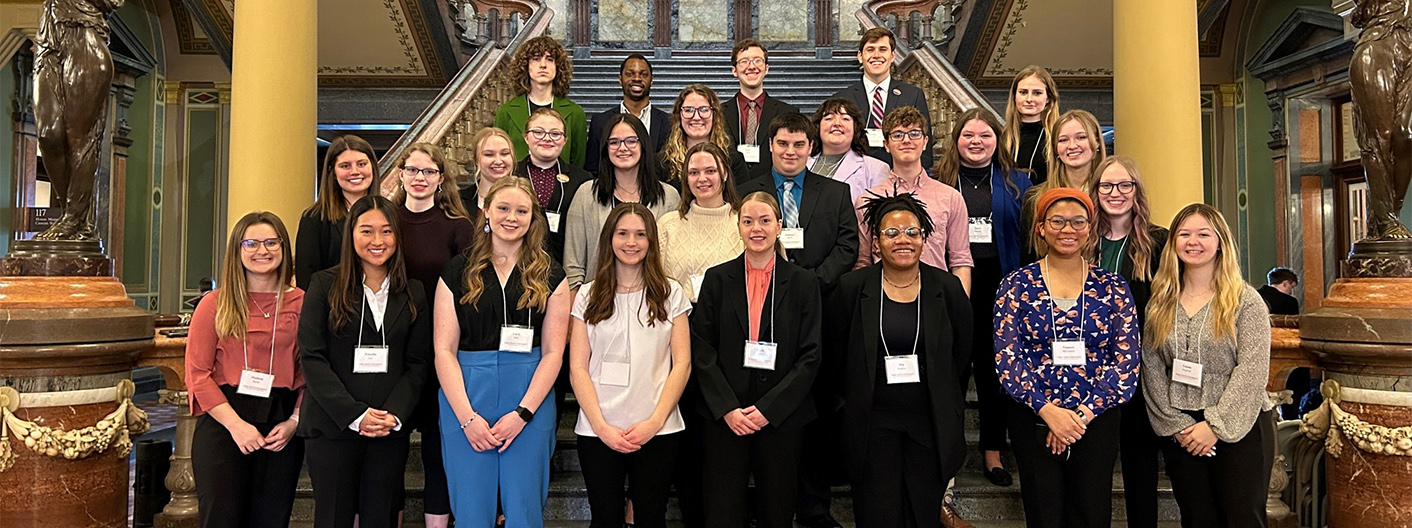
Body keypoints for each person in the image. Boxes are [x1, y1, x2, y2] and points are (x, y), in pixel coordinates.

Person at [993, 188, 1140, 528]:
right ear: (1041, 228)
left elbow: (1126, 362)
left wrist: (1079, 417)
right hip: (1033, 416)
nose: (1068, 229)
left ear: (1090, 228)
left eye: (1078, 221)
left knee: (1091, 512)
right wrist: (1049, 413)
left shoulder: (1112, 286)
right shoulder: (1016, 285)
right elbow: (1007, 358)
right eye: (1057, 221)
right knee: (1043, 514)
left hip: (1096, 419)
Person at [829, 192, 973, 528]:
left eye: (911, 231)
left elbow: (961, 354)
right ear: (876, 242)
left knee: (923, 516)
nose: (902, 240)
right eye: (891, 233)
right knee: (877, 515)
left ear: (924, 237)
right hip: (871, 424)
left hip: (929, 424)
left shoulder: (947, 288)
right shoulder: (852, 288)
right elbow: (835, 356)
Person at [435, 177, 572, 527]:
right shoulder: (456, 271)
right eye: (504, 208)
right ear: (486, 212)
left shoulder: (553, 276)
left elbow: (554, 352)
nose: (512, 217)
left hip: (529, 394)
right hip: (466, 393)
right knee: (470, 511)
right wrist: (467, 417)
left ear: (533, 218)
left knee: (524, 510)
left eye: (522, 210)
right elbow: (444, 350)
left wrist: (522, 414)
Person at [298, 195, 431, 528]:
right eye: (367, 231)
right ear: (350, 234)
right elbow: (312, 357)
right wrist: (355, 414)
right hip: (334, 426)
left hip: (388, 428)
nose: (377, 241)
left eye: (386, 232)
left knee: (382, 518)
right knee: (332, 519)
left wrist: (393, 415)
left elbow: (417, 364)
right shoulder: (324, 285)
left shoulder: (413, 292)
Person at [691, 191, 822, 528]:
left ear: (780, 226)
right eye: (748, 221)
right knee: (722, 512)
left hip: (782, 418)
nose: (756, 228)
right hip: (725, 416)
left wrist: (769, 410)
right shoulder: (717, 279)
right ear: (738, 227)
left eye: (765, 220)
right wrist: (727, 409)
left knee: (776, 512)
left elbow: (811, 354)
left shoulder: (805, 283)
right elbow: (702, 349)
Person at [1143, 203, 1275, 528]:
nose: (1193, 242)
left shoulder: (1244, 300)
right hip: (1182, 428)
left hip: (1239, 426)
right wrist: (1176, 425)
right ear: (1173, 241)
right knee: (1197, 518)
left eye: (1203, 234)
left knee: (1243, 518)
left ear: (1220, 242)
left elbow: (1252, 370)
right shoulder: (1160, 300)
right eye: (1184, 234)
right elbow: (1151, 367)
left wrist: (1214, 426)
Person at [569, 203, 693, 528]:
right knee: (605, 518)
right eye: (622, 233)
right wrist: (600, 426)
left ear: (651, 240)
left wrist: (654, 422)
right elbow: (578, 368)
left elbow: (682, 364)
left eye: (640, 234)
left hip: (658, 429)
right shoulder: (587, 294)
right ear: (610, 238)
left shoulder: (670, 293)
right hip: (598, 430)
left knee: (651, 518)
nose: (631, 242)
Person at [935, 107, 1033, 489]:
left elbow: (1028, 241)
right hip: (951, 284)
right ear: (956, 139)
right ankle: (950, 450)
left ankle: (992, 450)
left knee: (994, 373)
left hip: (1001, 284)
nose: (976, 142)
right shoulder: (939, 179)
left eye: (985, 136)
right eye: (968, 135)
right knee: (952, 369)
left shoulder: (1016, 184)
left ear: (997, 141)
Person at [187, 212, 304, 528]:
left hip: (281, 423)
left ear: (283, 248)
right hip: (225, 420)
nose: (261, 251)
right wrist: (237, 426)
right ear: (236, 251)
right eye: (250, 243)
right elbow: (197, 374)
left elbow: (312, 371)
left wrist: (295, 421)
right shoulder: (214, 303)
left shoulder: (304, 303)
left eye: (270, 242)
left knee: (272, 518)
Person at [391, 142, 475, 528]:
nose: (419, 178)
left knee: (437, 447)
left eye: (428, 172)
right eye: (412, 170)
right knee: (389, 447)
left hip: (441, 349)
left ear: (441, 178)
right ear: (401, 174)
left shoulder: (458, 227)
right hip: (391, 349)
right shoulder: (385, 221)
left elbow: (469, 288)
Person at [1085, 156, 1168, 528]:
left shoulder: (1158, 241)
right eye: (1106, 185)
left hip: (1139, 368)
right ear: (1095, 190)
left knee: (1140, 465)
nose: (1115, 193)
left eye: (1124, 185)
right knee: (1093, 466)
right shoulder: (1080, 239)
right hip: (1088, 370)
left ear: (1136, 191)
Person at [854, 106, 973, 293]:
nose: (907, 140)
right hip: (884, 297)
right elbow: (863, 261)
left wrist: (959, 308)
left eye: (914, 133)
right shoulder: (867, 200)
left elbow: (960, 261)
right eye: (898, 135)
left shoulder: (950, 197)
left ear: (925, 142)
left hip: (937, 296)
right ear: (886, 144)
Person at [736, 112, 859, 292]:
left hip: (822, 295)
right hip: (760, 291)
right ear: (770, 145)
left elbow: (848, 246)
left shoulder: (836, 193)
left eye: (799, 145)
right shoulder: (745, 194)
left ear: (810, 147)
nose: (790, 152)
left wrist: (813, 281)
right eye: (783, 144)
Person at [565, 114, 681, 288]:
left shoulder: (669, 197)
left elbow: (673, 261)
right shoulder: (586, 194)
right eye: (614, 142)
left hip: (654, 301)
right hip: (597, 301)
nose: (623, 148)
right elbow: (573, 267)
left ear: (643, 145)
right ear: (605, 148)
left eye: (631, 141)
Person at [833, 27, 934, 167]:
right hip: (857, 176)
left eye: (882, 49)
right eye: (870, 50)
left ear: (892, 56)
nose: (876, 55)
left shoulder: (913, 95)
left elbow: (925, 143)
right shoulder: (842, 99)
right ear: (860, 56)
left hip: (901, 174)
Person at [658, 142, 745, 302]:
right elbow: (654, 282)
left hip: (731, 322)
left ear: (724, 173)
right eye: (694, 172)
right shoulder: (666, 226)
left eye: (710, 171)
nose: (702, 178)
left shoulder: (745, 224)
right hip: (679, 321)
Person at [296, 135, 379, 288]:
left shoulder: (388, 214)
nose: (355, 171)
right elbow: (306, 280)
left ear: (373, 167)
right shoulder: (314, 218)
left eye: (361, 164)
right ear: (332, 172)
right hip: (331, 307)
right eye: (345, 166)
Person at [493, 36, 588, 168]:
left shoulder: (575, 112)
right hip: (516, 185)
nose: (543, 65)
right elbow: (498, 155)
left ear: (557, 67)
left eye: (550, 59)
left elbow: (578, 162)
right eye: (536, 59)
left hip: (562, 185)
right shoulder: (506, 111)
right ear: (526, 66)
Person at [518, 108, 595, 262]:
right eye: (538, 132)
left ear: (564, 140)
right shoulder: (510, 175)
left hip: (562, 262)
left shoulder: (582, 179)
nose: (547, 138)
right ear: (526, 137)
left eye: (555, 134)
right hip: (516, 258)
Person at [1021, 110, 1107, 242]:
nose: (1072, 145)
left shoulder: (1112, 196)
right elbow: (1028, 256)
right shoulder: (1034, 198)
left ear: (1097, 143)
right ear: (1055, 148)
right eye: (1063, 140)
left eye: (1081, 137)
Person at [722, 39, 800, 174]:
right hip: (729, 188)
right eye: (744, 61)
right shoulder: (719, 112)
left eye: (757, 60)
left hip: (771, 189)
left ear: (766, 69)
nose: (751, 67)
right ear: (734, 71)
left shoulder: (787, 112)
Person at [586, 53, 671, 173]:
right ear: (620, 79)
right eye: (630, 74)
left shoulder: (669, 123)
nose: (637, 78)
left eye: (643, 74)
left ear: (651, 80)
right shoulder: (600, 122)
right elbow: (593, 169)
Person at [657, 84, 752, 189]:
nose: (696, 117)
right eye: (689, 110)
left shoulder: (733, 160)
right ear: (678, 116)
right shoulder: (661, 163)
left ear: (714, 115)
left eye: (704, 109)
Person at [808, 97, 890, 202]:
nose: (837, 123)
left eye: (845, 119)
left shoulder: (876, 169)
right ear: (818, 126)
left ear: (855, 128)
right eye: (829, 118)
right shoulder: (801, 162)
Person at [1001, 66, 1060, 186]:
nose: (1029, 99)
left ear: (1048, 97)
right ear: (1014, 96)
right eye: (1023, 92)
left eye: (1037, 93)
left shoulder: (1058, 136)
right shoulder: (1001, 137)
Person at [457, 127, 518, 215]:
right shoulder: (458, 202)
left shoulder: (527, 198)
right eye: (489, 155)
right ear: (476, 160)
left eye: (504, 153)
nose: (498, 161)